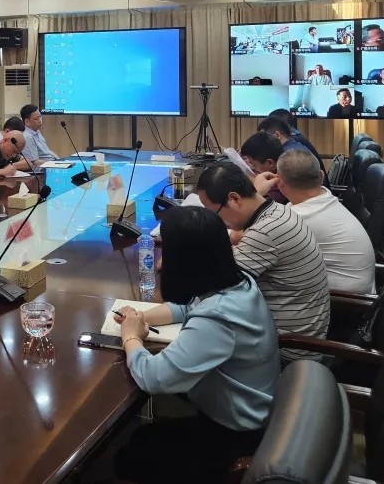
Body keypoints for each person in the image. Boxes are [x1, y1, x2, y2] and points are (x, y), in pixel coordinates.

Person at [107, 206, 279, 483]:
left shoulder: (218, 318)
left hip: (234, 433)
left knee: (130, 457)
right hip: (249, 412)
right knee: (142, 437)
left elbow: (153, 378)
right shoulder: (238, 282)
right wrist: (140, 317)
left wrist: (131, 337)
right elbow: (189, 306)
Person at [195, 164, 330, 363]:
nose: (219, 222)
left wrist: (181, 258)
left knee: (192, 343)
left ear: (234, 199)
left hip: (288, 349)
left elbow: (215, 287)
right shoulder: (279, 211)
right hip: (297, 334)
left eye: (215, 213)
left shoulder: (265, 231)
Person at [256, 150, 375, 294]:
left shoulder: (297, 218)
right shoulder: (324, 198)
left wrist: (256, 193)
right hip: (352, 294)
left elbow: (248, 237)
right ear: (321, 176)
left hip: (342, 302)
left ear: (279, 182)